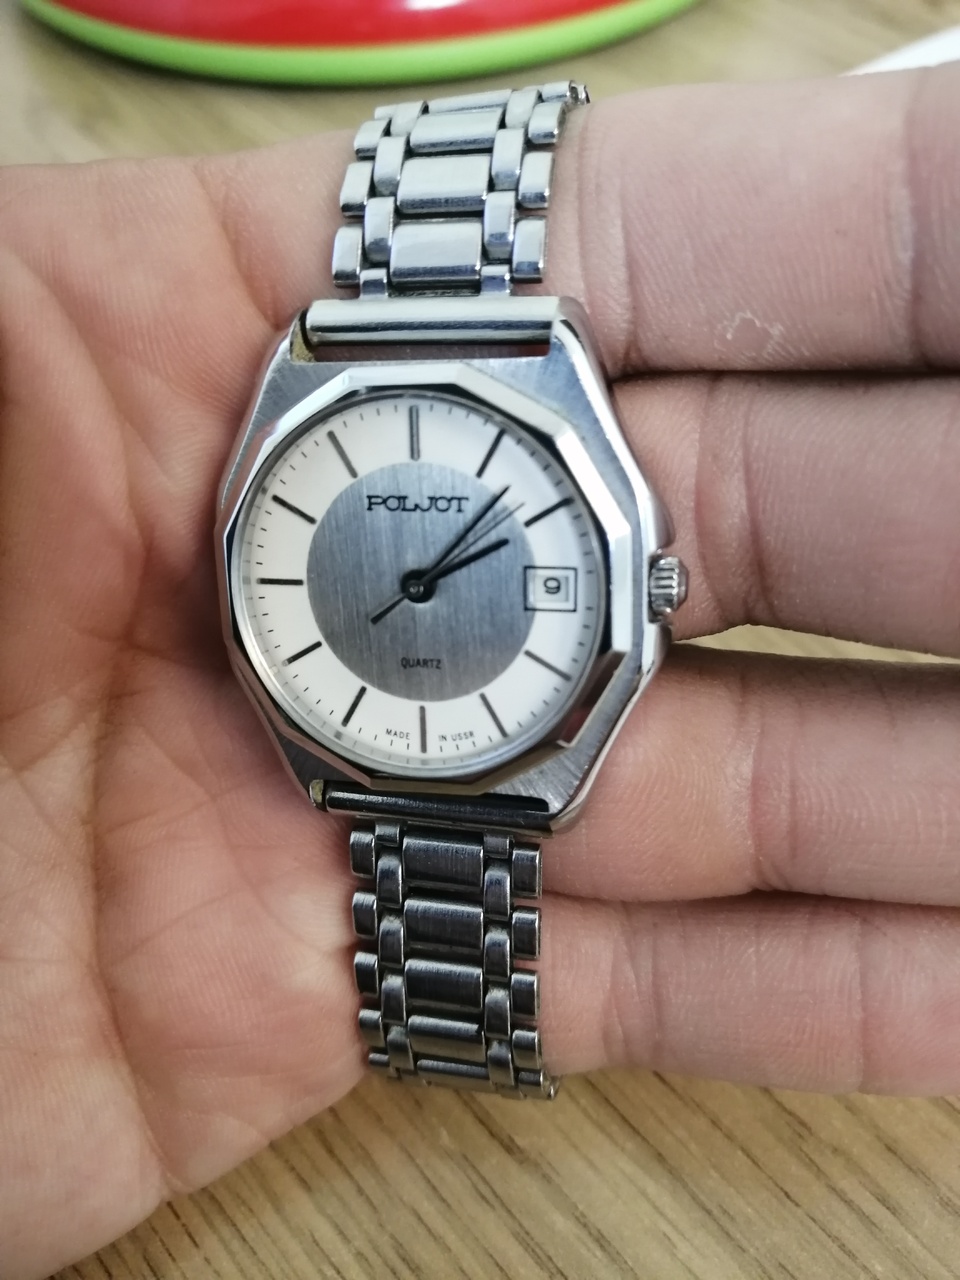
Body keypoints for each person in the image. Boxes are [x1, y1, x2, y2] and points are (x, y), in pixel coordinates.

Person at [2, 67, 959, 1279]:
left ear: (649, 580)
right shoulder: (304, 452)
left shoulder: (506, 406)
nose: (415, 587)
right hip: (342, 737)